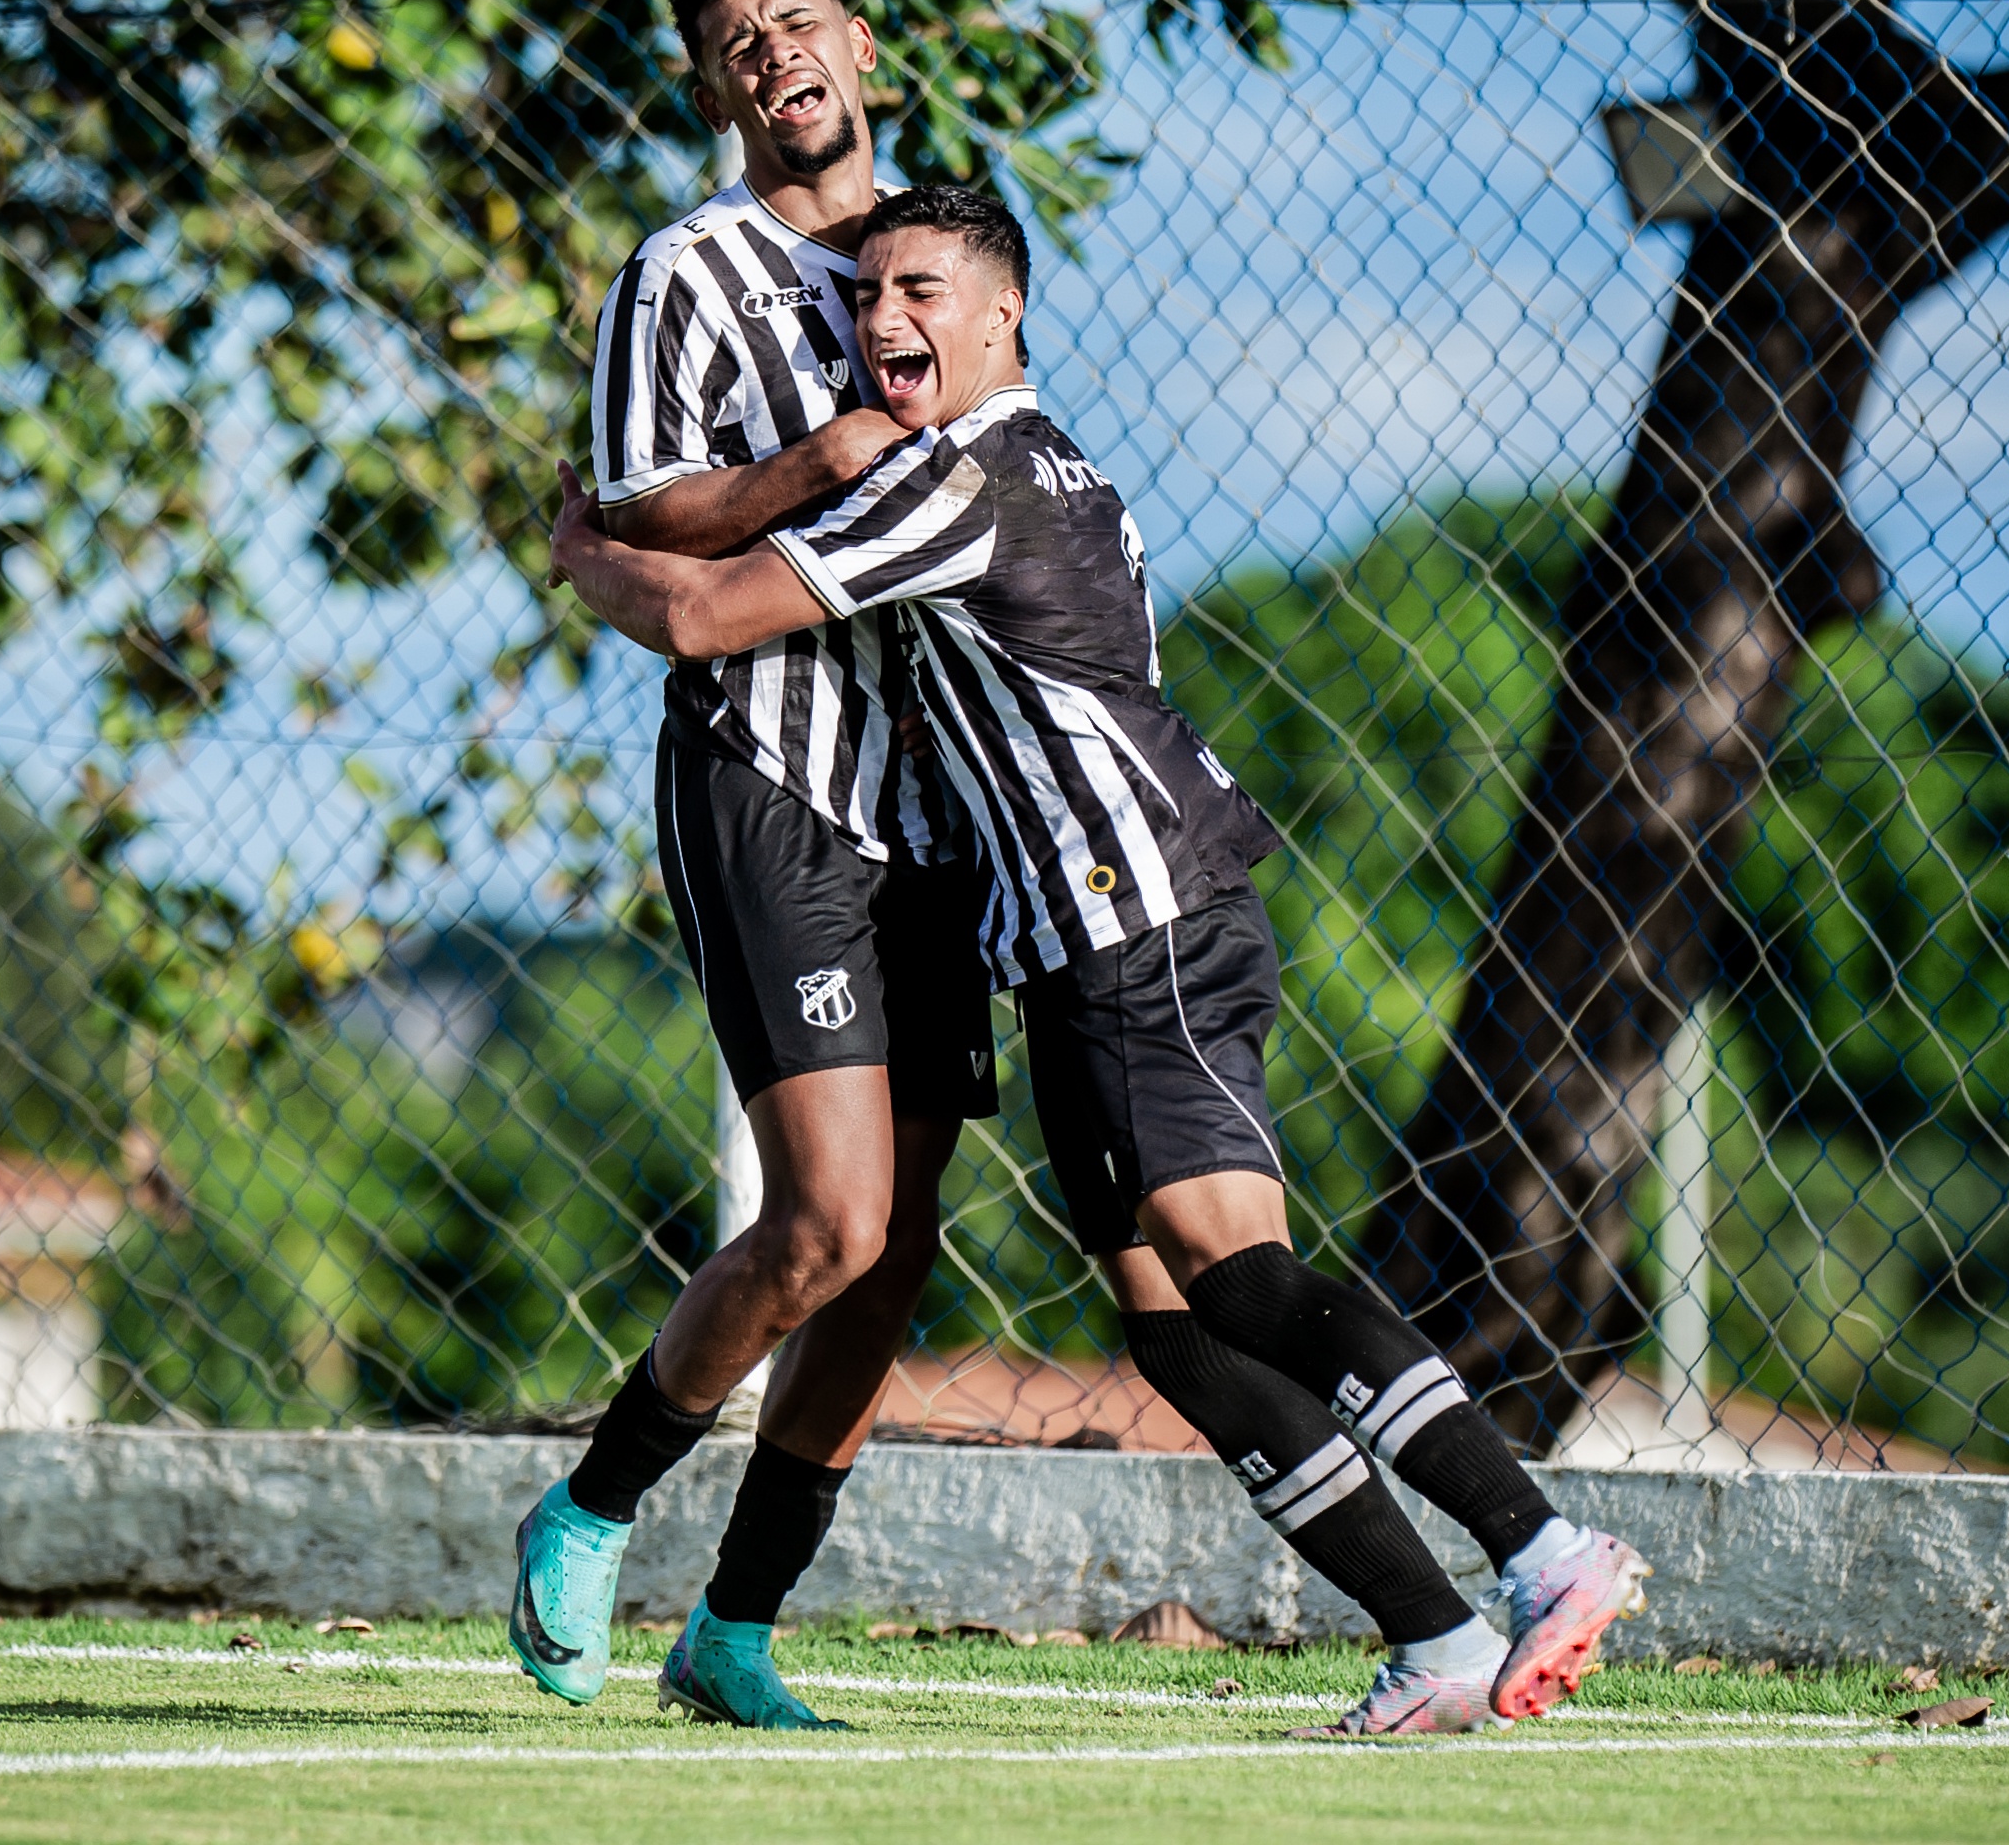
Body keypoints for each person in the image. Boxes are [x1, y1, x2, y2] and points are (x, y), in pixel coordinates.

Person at [548, 184, 1656, 1735]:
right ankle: (1437, 1640)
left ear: (1004, 311)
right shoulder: (1056, 457)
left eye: (921, 291)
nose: (883, 323)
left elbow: (708, 614)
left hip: (1134, 927)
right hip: (1077, 944)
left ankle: (1541, 1551)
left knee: (1243, 1283)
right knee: (1177, 1330)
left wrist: (584, 546)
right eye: (865, 297)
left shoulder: (960, 477)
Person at [506, 0, 994, 1734]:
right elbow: (642, 506)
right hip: (768, 775)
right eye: (736, 42)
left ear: (858, 47)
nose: (773, 51)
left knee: (904, 1238)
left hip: (947, 802)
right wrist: (826, 457)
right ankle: (595, 1502)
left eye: (797, 19)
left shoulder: (938, 253)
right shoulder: (685, 273)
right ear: (717, 93)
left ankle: (737, 1631)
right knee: (825, 1217)